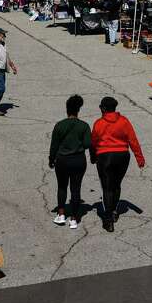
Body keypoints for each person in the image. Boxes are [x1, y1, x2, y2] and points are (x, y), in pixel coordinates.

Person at [90, 96, 145, 232]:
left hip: (105, 157)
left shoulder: (99, 123)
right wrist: (140, 159)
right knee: (116, 184)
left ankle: (108, 220)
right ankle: (114, 212)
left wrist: (93, 157)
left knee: (107, 188)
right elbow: (133, 140)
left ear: (103, 109)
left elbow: (93, 142)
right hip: (122, 157)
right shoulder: (124, 121)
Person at [49, 94, 89, 229]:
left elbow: (54, 145)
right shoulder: (84, 126)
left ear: (67, 110)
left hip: (62, 160)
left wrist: (51, 159)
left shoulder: (60, 125)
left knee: (62, 187)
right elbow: (88, 144)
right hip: (78, 160)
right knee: (75, 189)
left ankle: (61, 214)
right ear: (78, 110)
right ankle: (73, 218)